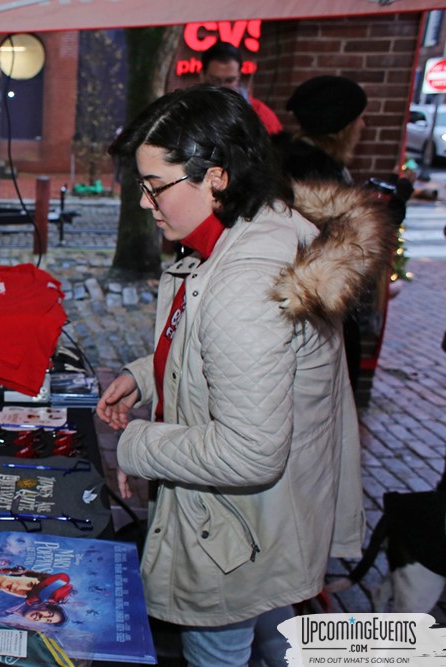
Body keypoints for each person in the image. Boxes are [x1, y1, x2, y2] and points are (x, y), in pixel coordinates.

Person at [99, 85, 393, 666]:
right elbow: (228, 357)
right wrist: (146, 376)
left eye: (155, 186)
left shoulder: (244, 281)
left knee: (221, 646)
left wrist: (134, 445)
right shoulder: (249, 229)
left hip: (241, 529)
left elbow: (248, 451)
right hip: (268, 523)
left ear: (216, 177)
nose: (145, 202)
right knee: (272, 627)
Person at [280, 75, 411, 398]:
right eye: (359, 118)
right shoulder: (314, 170)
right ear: (342, 126)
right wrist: (386, 214)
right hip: (313, 318)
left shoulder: (296, 162)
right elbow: (344, 245)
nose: (363, 125)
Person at [198, 41, 282, 136]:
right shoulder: (189, 110)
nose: (222, 87)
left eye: (229, 80)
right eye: (215, 80)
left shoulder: (261, 115)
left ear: (239, 76)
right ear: (202, 75)